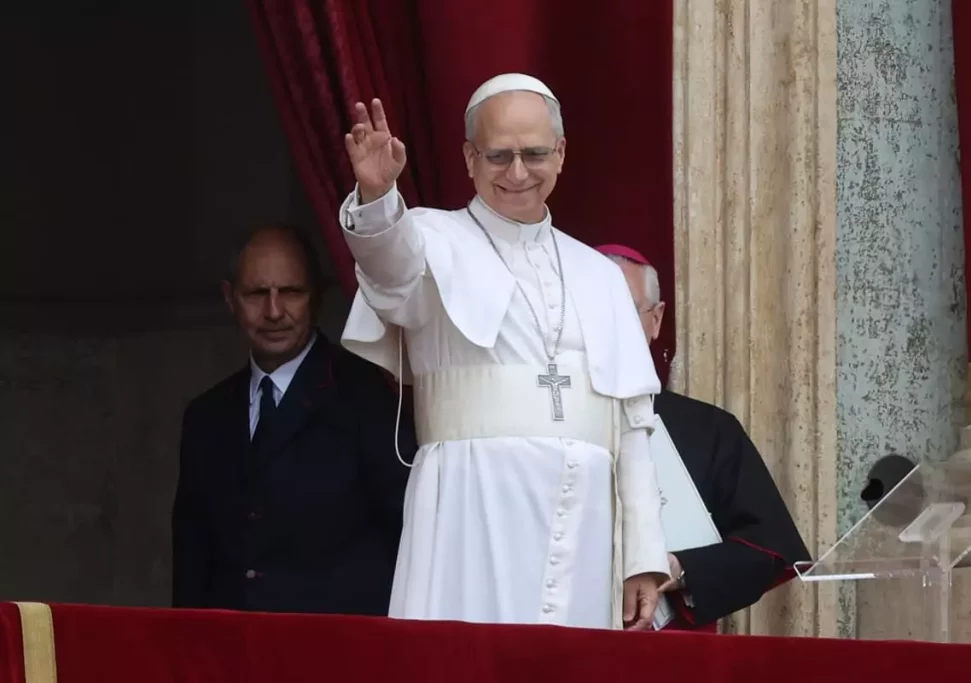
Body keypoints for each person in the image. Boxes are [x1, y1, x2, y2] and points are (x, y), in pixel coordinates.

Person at [337, 73, 669, 630]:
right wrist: (377, 198)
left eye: (534, 154)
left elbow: (632, 429)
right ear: (469, 158)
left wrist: (643, 557)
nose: (518, 173)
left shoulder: (601, 276)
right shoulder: (431, 237)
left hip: (585, 523)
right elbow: (389, 273)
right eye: (498, 156)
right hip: (470, 509)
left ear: (561, 154)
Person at [172, 226, 415, 615]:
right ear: (229, 298)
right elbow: (192, 565)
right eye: (256, 294)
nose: (273, 312)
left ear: (316, 296)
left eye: (290, 292)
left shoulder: (369, 397)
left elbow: (408, 539)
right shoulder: (205, 418)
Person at [598, 243, 810, 630]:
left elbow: (766, 549)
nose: (609, 326)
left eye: (627, 310)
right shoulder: (535, 423)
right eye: (594, 311)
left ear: (656, 320)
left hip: (673, 655)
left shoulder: (709, 430)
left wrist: (678, 568)